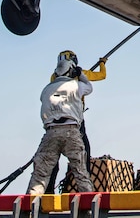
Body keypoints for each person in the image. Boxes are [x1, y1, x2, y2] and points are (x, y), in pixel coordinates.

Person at [26, 58, 94, 194]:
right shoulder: (77, 85)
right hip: (71, 132)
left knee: (40, 176)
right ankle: (88, 208)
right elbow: (89, 87)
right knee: (81, 173)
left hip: (50, 133)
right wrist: (81, 75)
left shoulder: (46, 90)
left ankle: (29, 209)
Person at [44, 50, 106, 193]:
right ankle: (85, 190)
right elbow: (101, 76)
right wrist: (102, 63)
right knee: (84, 152)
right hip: (75, 120)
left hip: (54, 120)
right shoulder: (79, 75)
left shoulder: (54, 77)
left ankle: (48, 191)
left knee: (52, 156)